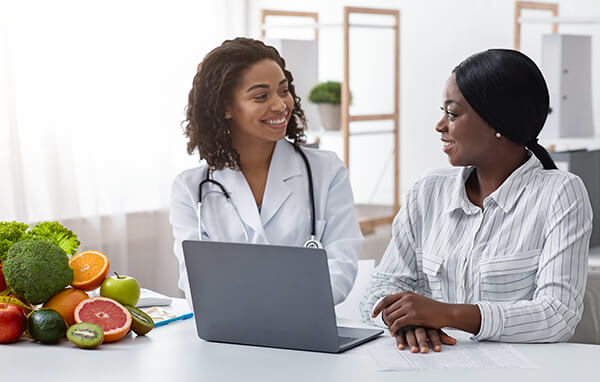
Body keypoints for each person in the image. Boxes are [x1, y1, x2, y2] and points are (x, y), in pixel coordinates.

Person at [360, 49, 593, 353]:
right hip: (430, 369)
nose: (440, 126)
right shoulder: (427, 191)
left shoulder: (560, 193)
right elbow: (378, 291)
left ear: (498, 122)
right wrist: (408, 321)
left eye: (452, 114)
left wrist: (446, 314)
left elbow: (557, 315)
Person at [170, 38, 363, 307]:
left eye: (283, 91)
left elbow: (340, 266)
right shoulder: (191, 188)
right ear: (225, 107)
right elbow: (196, 283)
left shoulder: (326, 171)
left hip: (305, 330)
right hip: (229, 335)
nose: (280, 105)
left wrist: (271, 304)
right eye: (261, 96)